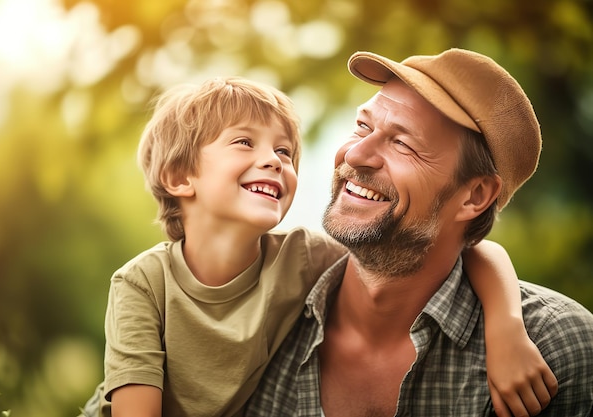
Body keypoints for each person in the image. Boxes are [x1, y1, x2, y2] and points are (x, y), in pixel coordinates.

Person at [80, 76, 558, 417]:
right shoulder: (142, 284)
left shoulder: (299, 258)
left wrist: (506, 327)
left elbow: (469, 252)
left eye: (284, 151)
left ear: (475, 197)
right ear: (179, 177)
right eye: (244, 142)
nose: (272, 161)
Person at [244, 48, 593, 417]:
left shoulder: (556, 350)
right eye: (363, 126)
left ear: (474, 196)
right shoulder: (264, 318)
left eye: (402, 143)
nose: (356, 154)